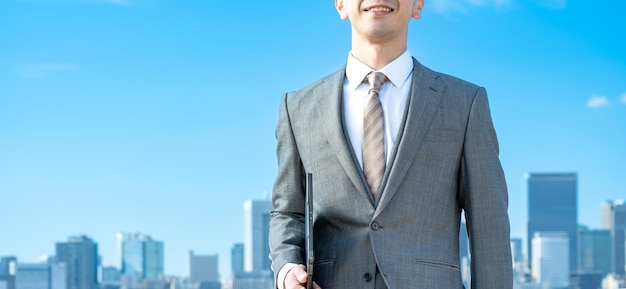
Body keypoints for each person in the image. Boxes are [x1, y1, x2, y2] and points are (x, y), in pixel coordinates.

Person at [269, 0, 513, 288]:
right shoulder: (297, 108)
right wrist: (286, 270)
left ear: (418, 6)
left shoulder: (464, 103)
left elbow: (489, 226)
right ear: (340, 5)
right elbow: (288, 212)